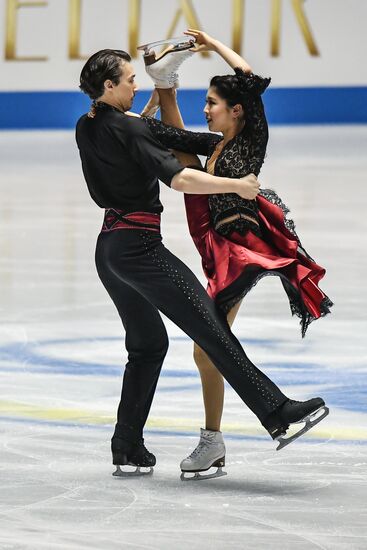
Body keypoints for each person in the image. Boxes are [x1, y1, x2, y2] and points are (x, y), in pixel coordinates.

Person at [75, 47, 328, 479]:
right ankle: (276, 411)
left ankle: (127, 445)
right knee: (212, 330)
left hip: (109, 250)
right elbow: (180, 179)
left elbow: (143, 131)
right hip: (140, 249)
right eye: (130, 79)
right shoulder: (131, 130)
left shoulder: (88, 124)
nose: (135, 85)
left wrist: (157, 102)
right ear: (109, 86)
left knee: (148, 345)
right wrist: (237, 184)